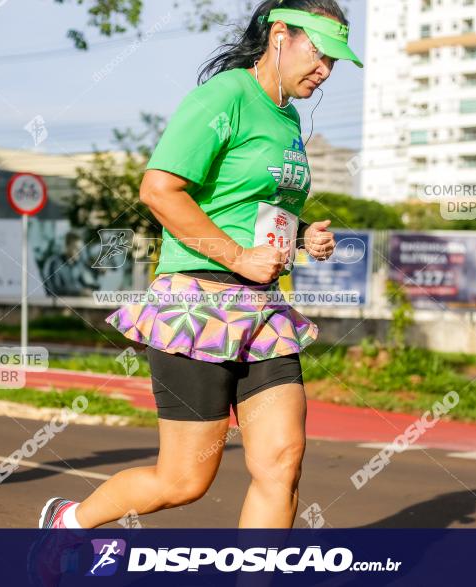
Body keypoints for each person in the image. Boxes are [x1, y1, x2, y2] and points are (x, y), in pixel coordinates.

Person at [39, 0, 361, 530]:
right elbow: (159, 190)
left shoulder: (286, 117)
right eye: (320, 54)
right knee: (184, 482)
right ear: (280, 34)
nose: (325, 71)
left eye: (335, 61)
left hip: (264, 311)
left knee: (282, 463)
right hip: (197, 305)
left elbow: (247, 211)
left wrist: (303, 238)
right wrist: (237, 257)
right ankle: (68, 523)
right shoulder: (225, 96)